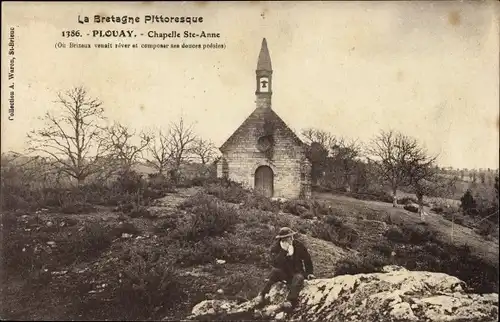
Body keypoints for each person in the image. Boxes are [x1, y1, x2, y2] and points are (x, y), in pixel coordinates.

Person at [256, 227, 315, 309]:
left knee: (299, 278)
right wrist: (283, 251)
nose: (291, 238)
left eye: (291, 236)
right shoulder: (276, 248)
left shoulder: (298, 245)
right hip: (284, 273)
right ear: (282, 239)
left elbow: (307, 259)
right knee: (274, 272)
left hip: (297, 272)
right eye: (288, 237)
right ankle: (262, 295)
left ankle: (290, 300)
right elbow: (276, 263)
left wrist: (309, 273)